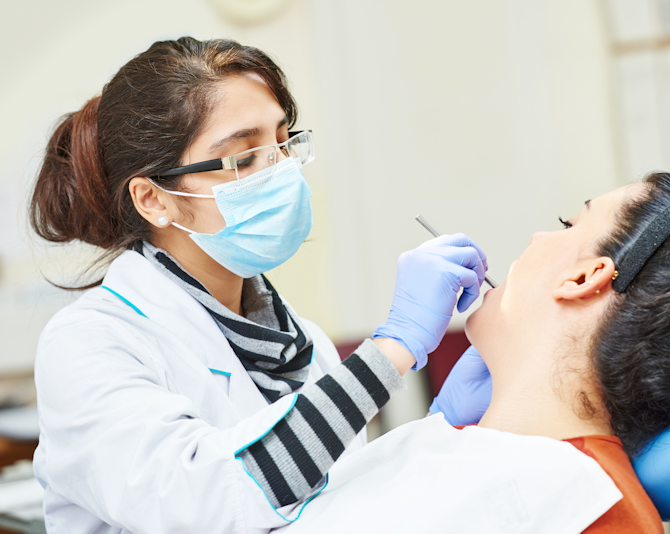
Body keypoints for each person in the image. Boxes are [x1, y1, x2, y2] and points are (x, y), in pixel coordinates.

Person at [29, 37, 490, 533]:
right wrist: (393, 349)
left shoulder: (301, 343)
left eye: (284, 143)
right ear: (154, 199)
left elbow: (341, 504)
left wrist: (441, 427)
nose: (282, 173)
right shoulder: (90, 342)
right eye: (243, 158)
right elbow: (209, 503)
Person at [275, 173, 670, 533]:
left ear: (585, 277)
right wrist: (435, 428)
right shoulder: (466, 453)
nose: (537, 236)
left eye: (569, 225)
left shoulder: (585, 508)